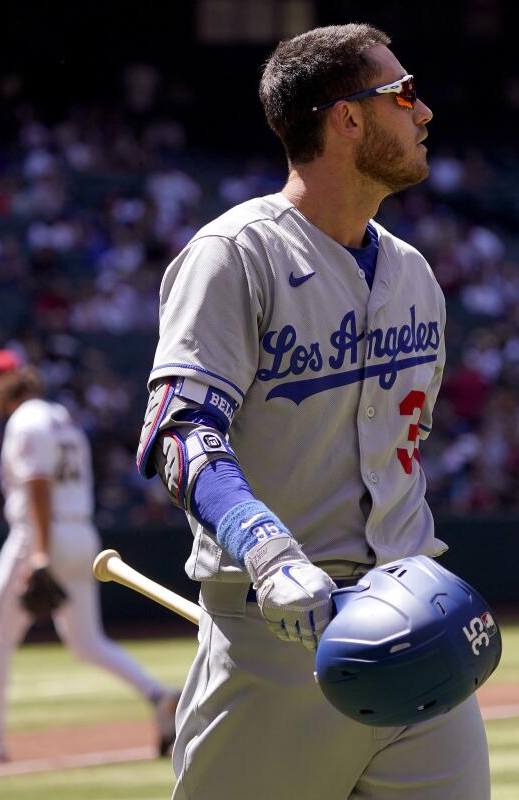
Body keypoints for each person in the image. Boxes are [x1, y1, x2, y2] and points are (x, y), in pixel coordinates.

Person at [136, 23, 489, 799]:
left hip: (416, 622)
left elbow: (403, 441)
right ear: (348, 119)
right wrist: (266, 550)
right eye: (403, 95)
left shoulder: (413, 273)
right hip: (278, 637)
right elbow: (181, 431)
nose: (424, 112)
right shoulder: (233, 254)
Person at [0, 350, 179, 763]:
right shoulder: (61, 417)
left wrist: (42, 554)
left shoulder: (24, 420)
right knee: (86, 641)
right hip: (81, 531)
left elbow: (39, 484)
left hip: (41, 534)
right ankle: (157, 695)